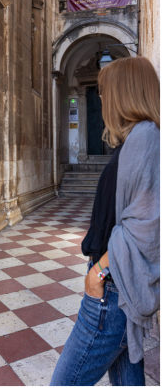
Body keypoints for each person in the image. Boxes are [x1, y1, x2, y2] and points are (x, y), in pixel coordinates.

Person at [51, 56, 160, 386]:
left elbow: (145, 222)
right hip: (119, 285)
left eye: (104, 90)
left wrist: (99, 272)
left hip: (114, 291)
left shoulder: (144, 138)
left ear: (124, 92)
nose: (100, 98)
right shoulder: (138, 139)